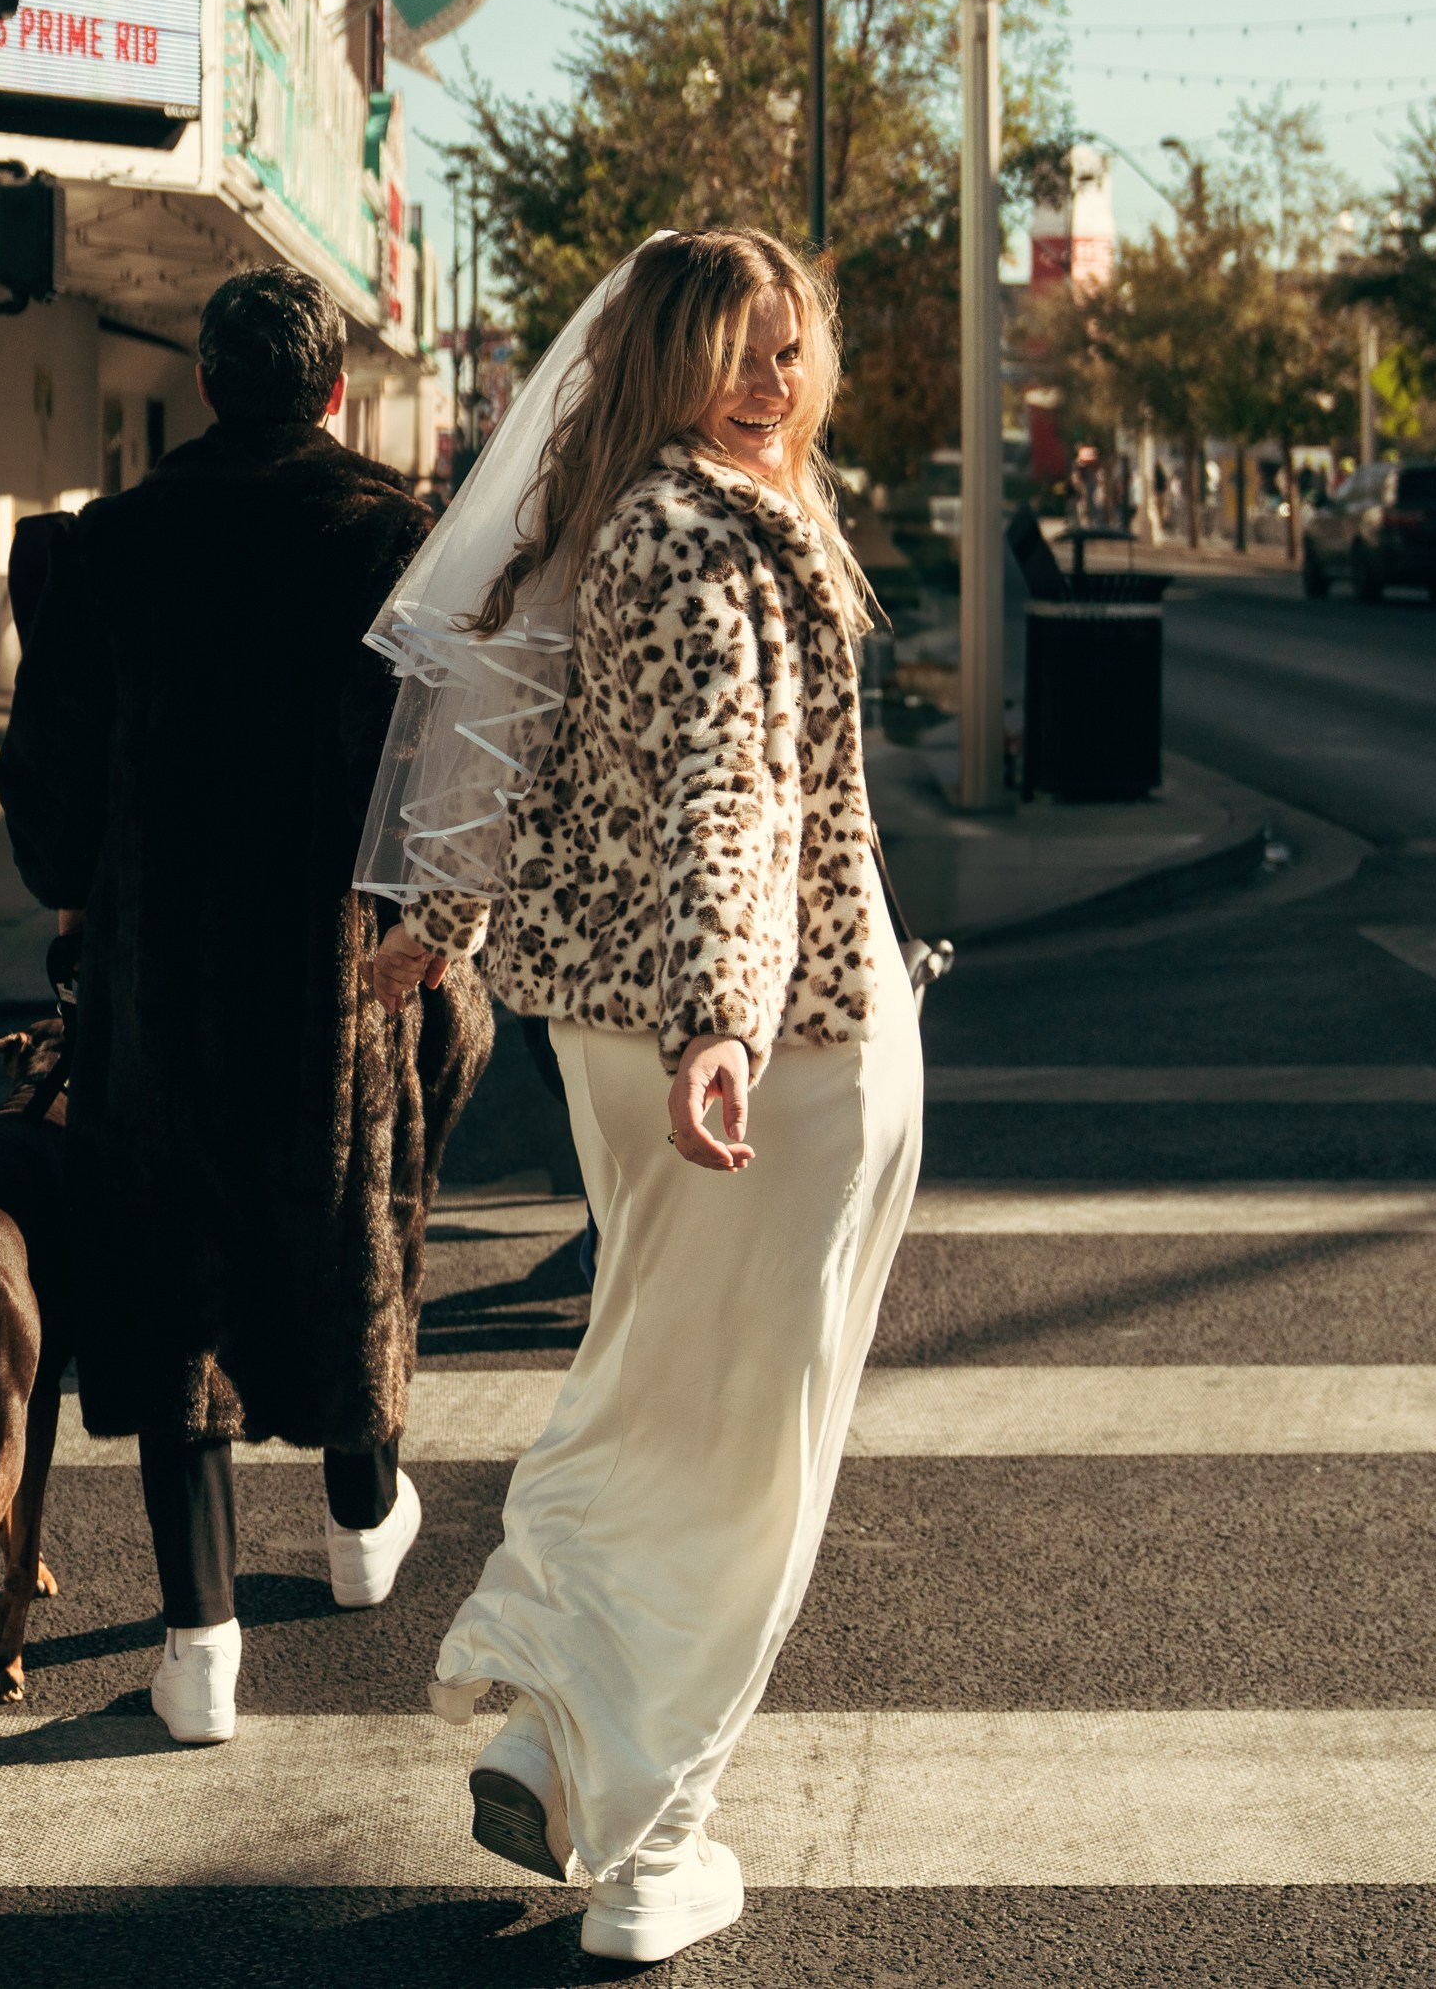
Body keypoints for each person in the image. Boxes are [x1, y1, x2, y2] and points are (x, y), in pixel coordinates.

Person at [362, 228, 924, 1964]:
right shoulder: (712, 533)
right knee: (754, 1439)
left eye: (793, 346)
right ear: (669, 360)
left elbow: (525, 736)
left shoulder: (614, 516)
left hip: (630, 1028)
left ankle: (559, 1730)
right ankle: (657, 1840)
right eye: (740, 349)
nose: (775, 379)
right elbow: (719, 791)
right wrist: (722, 1024)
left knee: (658, 1374)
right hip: (779, 1035)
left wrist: (447, 922)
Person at [0, 265, 491, 1747]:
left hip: (163, 968)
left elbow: (50, 788)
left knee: (173, 1261)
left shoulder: (118, 546)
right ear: (334, 393)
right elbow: (450, 772)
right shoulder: (396, 541)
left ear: (206, 384)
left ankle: (199, 1640)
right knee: (357, 1223)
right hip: (340, 963)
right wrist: (426, 929)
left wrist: (80, 901)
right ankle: (359, 1519)